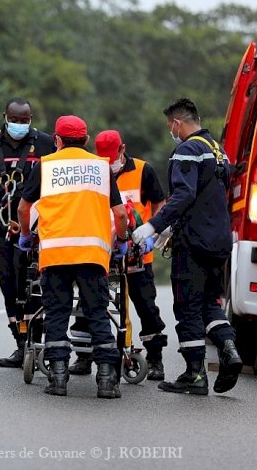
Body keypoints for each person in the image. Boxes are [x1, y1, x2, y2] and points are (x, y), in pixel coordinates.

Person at [132, 98, 242, 395]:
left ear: (177, 123)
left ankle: (195, 375)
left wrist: (153, 225)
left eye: (170, 126)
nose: (171, 131)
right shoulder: (219, 151)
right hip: (219, 239)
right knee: (210, 302)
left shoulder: (186, 150)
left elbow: (184, 195)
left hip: (194, 241)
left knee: (188, 307)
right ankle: (229, 348)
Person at [17, 115, 128, 398]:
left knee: (56, 314)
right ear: (87, 140)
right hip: (92, 255)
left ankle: (58, 379)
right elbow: (120, 214)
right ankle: (106, 382)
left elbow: (23, 209)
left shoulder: (45, 165)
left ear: (57, 140)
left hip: (55, 255)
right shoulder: (102, 168)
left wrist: (27, 237)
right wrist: (123, 240)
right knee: (97, 314)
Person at [67, 130, 168, 380]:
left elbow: (160, 202)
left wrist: (153, 233)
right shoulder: (93, 169)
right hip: (103, 253)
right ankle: (84, 356)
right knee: (89, 302)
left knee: (146, 305)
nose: (109, 163)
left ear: (122, 149)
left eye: (112, 157)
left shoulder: (143, 170)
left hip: (136, 255)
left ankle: (155, 359)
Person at [0, 98, 54, 368]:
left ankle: (39, 344)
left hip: (37, 229)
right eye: (15, 120)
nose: (20, 125)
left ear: (32, 118)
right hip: (1, 228)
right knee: (9, 285)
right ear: (5, 117)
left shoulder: (46, 143)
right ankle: (21, 344)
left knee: (36, 285)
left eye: (25, 120)